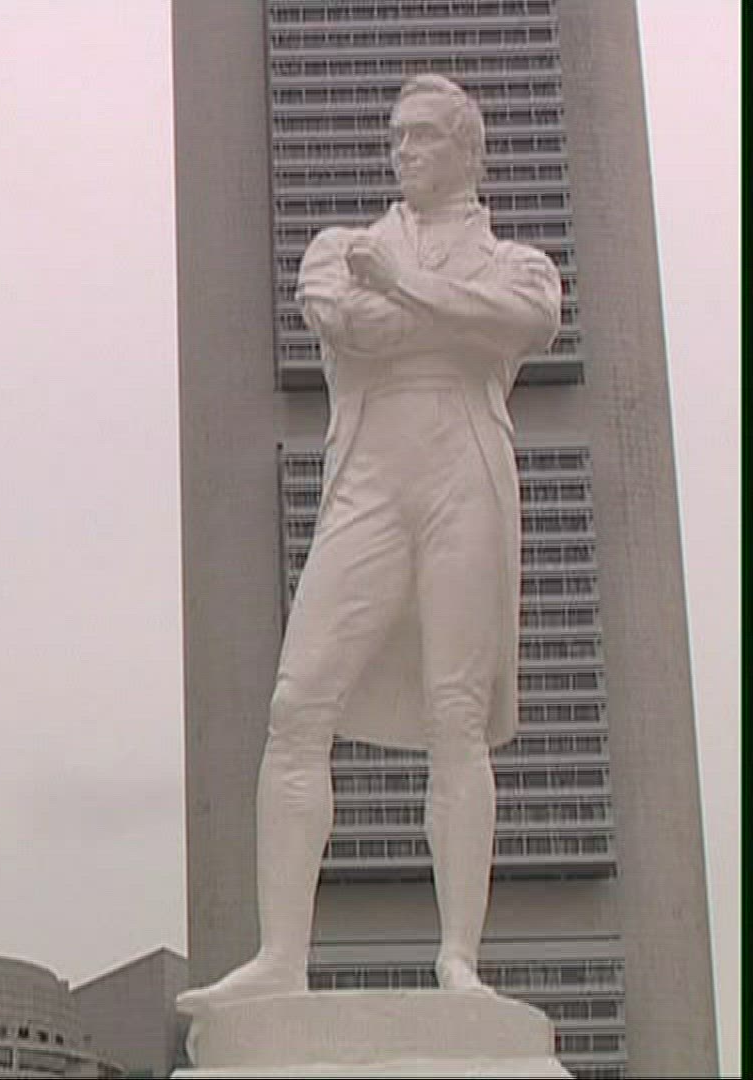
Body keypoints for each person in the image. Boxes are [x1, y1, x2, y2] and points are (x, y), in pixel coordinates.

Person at [179, 75, 561, 1011]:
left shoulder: (517, 261)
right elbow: (348, 322)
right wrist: (441, 309)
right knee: (297, 702)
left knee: (456, 715)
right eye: (398, 137)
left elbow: (526, 320)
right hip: (372, 476)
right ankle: (281, 956)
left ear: (469, 151)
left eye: (425, 136)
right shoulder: (340, 248)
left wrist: (406, 292)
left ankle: (459, 957)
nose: (405, 152)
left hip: (464, 472)